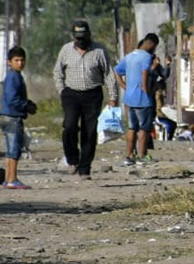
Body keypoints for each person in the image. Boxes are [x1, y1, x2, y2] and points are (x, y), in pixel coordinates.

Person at [53, 20, 119, 178]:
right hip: (71, 94)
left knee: (89, 132)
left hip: (92, 94)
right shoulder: (66, 50)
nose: (81, 41)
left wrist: (113, 97)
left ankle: (85, 167)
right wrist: (62, 90)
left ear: (89, 35)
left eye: (84, 38)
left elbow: (108, 74)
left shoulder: (99, 50)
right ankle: (72, 159)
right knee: (69, 126)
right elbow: (57, 72)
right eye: (78, 38)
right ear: (73, 37)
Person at [114, 33, 159, 166]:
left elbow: (117, 71)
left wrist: (124, 86)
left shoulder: (129, 56)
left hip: (129, 98)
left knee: (132, 128)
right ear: (151, 44)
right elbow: (145, 72)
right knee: (144, 128)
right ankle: (142, 155)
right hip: (142, 99)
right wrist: (146, 88)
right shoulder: (146, 57)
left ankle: (129, 155)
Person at [0, 46, 36, 190]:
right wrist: (26, 106)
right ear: (9, 62)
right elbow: (12, 99)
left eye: (22, 60)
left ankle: (8, 178)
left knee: (11, 149)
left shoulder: (15, 76)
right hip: (12, 117)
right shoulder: (13, 76)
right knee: (14, 149)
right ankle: (12, 179)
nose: (19, 63)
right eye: (16, 60)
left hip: (9, 116)